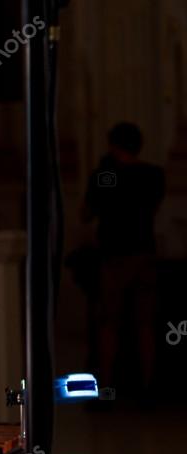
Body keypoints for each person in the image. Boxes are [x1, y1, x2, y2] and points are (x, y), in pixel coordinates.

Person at [83, 122, 165, 395]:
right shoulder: (153, 175)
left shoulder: (105, 175)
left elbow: (86, 213)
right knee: (145, 324)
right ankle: (148, 386)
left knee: (109, 324)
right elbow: (153, 206)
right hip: (144, 251)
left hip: (114, 254)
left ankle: (107, 387)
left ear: (114, 145)